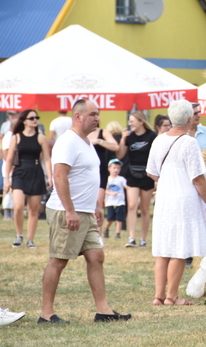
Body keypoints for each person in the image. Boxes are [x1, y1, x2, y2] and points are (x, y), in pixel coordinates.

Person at [40, 99, 131, 324]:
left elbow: (87, 175)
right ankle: (46, 314)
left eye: (98, 114)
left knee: (96, 256)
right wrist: (70, 211)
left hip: (85, 211)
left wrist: (96, 206)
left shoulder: (86, 142)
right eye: (92, 114)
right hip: (67, 211)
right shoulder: (68, 142)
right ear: (78, 116)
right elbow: (60, 176)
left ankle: (103, 311)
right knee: (58, 260)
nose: (97, 118)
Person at [147, 100, 206, 306]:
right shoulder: (189, 142)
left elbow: (151, 172)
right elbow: (197, 177)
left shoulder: (158, 140)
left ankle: (159, 295)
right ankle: (172, 296)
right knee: (179, 247)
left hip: (164, 197)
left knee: (163, 248)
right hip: (184, 198)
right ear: (187, 119)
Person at [3, 109, 52, 248]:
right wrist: (7, 178)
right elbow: (10, 159)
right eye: (31, 118)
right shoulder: (16, 137)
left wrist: (50, 176)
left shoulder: (41, 137)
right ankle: (19, 235)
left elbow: (47, 159)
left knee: (33, 209)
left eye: (36, 117)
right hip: (19, 171)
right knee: (18, 206)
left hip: (36, 171)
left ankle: (30, 240)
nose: (35, 120)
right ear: (24, 120)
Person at [117, 111, 157, 248]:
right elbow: (121, 155)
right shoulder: (129, 136)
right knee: (132, 205)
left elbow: (155, 156)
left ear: (141, 121)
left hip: (147, 175)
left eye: (132, 121)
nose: (130, 124)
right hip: (132, 173)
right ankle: (131, 238)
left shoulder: (152, 136)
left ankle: (143, 239)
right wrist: (123, 139)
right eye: (129, 121)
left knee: (145, 209)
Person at [88, 121, 119, 211]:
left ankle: (98, 225)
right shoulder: (78, 134)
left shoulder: (103, 132)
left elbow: (116, 147)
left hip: (99, 172)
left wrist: (98, 141)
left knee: (96, 206)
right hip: (83, 172)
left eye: (96, 114)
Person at [103, 159, 127, 240]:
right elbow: (104, 190)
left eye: (118, 168)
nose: (116, 170)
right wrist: (110, 193)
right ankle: (106, 228)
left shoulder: (121, 179)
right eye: (114, 168)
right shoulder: (107, 179)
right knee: (110, 218)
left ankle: (118, 234)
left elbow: (127, 187)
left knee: (119, 219)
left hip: (120, 202)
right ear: (109, 168)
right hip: (110, 202)